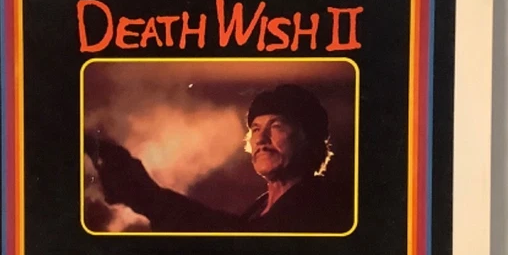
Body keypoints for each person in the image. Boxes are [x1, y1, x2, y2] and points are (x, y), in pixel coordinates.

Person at [86, 84, 350, 233]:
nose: (260, 139)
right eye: (255, 129)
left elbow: (242, 241)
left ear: (310, 138)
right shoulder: (259, 208)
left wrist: (147, 196)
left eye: (277, 126)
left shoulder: (322, 205)